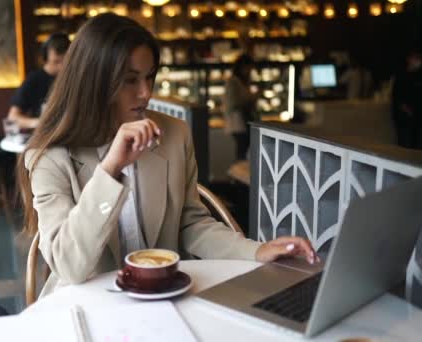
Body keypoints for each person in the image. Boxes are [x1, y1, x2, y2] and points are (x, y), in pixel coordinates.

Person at [17, 13, 319, 297]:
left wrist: (256, 251)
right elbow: (70, 267)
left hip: (162, 296)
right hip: (85, 303)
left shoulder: (173, 134)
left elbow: (191, 225)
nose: (146, 93)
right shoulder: (50, 156)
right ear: (94, 82)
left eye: (150, 77)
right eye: (130, 80)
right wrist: (111, 168)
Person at [6, 33, 70, 129]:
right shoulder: (34, 79)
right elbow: (13, 118)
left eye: (65, 61)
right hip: (43, 137)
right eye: (56, 61)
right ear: (45, 58)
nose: (61, 67)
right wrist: (41, 123)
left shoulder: (75, 79)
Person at [224, 54, 257, 160]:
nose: (249, 71)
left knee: (242, 151)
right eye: (248, 68)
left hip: (242, 122)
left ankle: (239, 173)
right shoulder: (234, 82)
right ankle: (238, 174)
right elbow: (234, 102)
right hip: (238, 122)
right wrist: (252, 98)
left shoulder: (241, 82)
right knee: (241, 151)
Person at [392, 49, 422, 149]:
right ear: (409, 59)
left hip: (417, 119)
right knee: (405, 146)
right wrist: (406, 109)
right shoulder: (402, 76)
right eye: (416, 58)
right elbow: (397, 97)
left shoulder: (418, 76)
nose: (418, 61)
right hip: (404, 119)